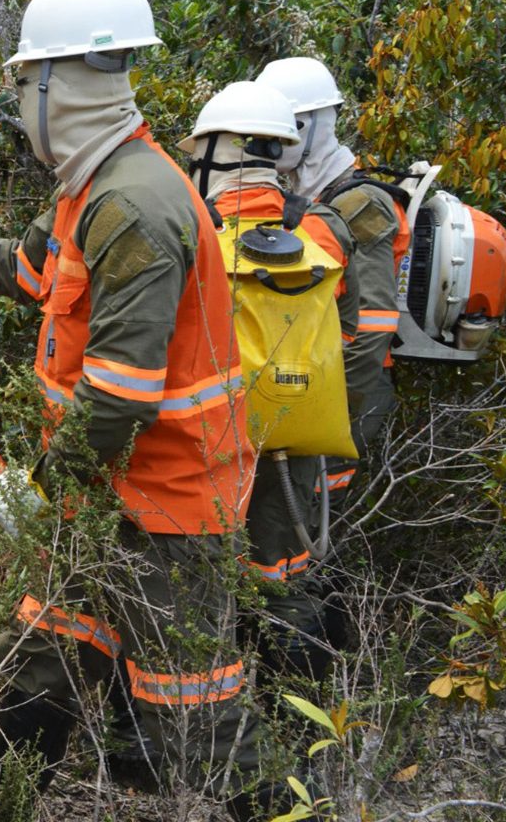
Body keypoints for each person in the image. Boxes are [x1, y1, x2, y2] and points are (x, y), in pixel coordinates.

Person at [0, 0, 266, 816]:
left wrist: (37, 491)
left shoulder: (136, 205)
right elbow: (26, 269)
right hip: (100, 498)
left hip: (168, 512)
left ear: (57, 83)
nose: (18, 101)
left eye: (23, 82)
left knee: (198, 719)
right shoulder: (89, 191)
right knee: (42, 669)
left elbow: (116, 398)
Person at [180, 81, 360, 680]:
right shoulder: (324, 229)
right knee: (283, 584)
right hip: (297, 443)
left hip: (209, 448)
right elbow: (352, 326)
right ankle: (303, 729)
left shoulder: (192, 233)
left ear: (209, 155)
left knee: (196, 590)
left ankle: (209, 724)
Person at [254, 58, 402, 500]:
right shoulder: (304, 199)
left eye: (287, 127)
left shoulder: (360, 204)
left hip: (351, 391)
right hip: (311, 381)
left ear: (316, 125)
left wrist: (329, 415)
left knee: (313, 513)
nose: (275, 141)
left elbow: (372, 329)